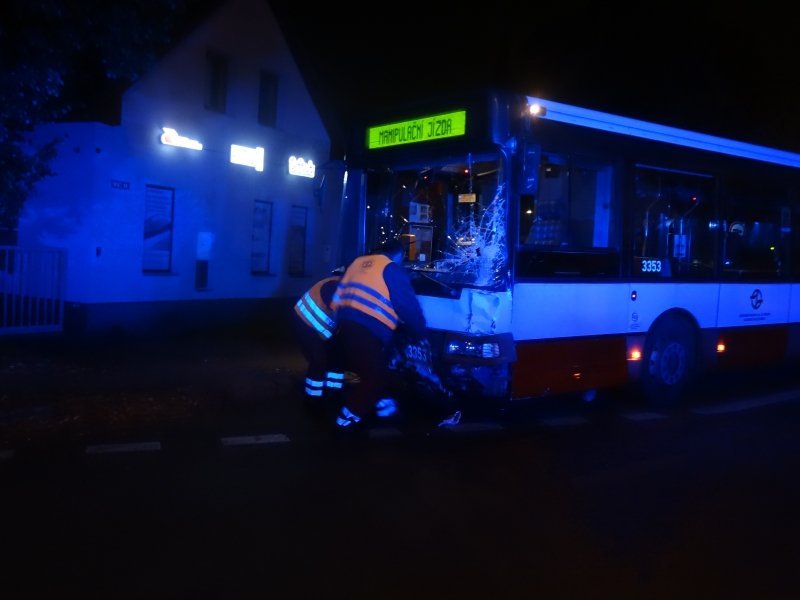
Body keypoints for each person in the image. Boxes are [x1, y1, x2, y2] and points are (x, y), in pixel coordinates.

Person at [330, 239, 427, 432]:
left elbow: (337, 297)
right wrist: (420, 331)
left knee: (373, 369)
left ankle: (384, 408)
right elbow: (407, 306)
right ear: (398, 255)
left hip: (344, 325)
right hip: (368, 330)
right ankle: (346, 420)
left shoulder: (357, 262)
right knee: (372, 378)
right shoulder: (392, 269)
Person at [292, 273, 345, 414]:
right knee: (319, 361)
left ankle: (333, 393)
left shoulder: (341, 283)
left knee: (336, 358)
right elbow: (341, 310)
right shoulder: (335, 286)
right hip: (306, 324)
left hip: (323, 329)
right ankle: (312, 399)